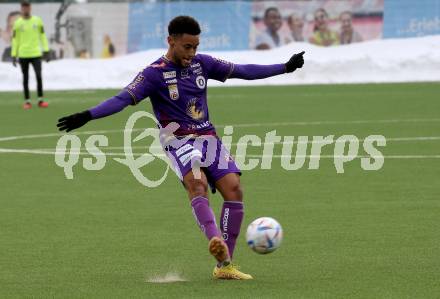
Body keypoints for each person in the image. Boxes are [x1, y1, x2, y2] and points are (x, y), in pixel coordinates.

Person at [57, 16, 305, 280]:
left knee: (234, 189)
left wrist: (285, 68)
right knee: (196, 184)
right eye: (187, 47)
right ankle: (215, 242)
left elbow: (243, 70)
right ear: (171, 41)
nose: (192, 53)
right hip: (177, 140)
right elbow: (122, 99)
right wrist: (88, 115)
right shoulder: (153, 74)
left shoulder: (203, 64)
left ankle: (225, 266)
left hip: (208, 137)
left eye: (195, 46)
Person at [11, 1, 50, 110]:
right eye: (23, 7)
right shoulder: (18, 23)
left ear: (30, 8)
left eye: (27, 7)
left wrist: (46, 50)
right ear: (21, 9)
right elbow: (15, 40)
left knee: (38, 76)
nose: (25, 9)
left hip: (36, 54)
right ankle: (27, 101)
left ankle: (40, 100)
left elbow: (43, 36)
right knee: (25, 78)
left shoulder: (37, 21)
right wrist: (14, 54)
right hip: (23, 54)